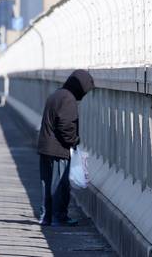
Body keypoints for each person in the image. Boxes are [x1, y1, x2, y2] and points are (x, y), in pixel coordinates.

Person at [37, 69, 94, 226]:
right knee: (60, 184)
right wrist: (74, 140)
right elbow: (66, 126)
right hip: (58, 149)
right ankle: (58, 216)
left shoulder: (57, 94)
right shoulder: (68, 99)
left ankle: (46, 216)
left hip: (45, 147)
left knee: (46, 183)